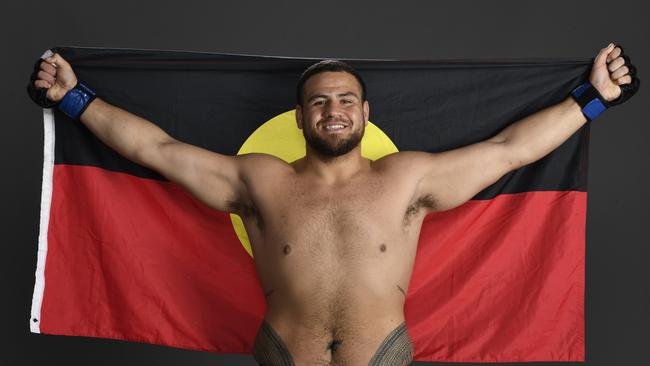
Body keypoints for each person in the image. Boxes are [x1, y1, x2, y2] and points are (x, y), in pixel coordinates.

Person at [28, 44, 638, 366]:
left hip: (383, 355)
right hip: (282, 352)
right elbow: (158, 149)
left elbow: (508, 151)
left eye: (346, 99)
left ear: (366, 114)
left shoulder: (407, 177)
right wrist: (75, 98)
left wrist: (595, 99)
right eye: (319, 102)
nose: (334, 110)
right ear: (299, 118)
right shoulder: (259, 180)